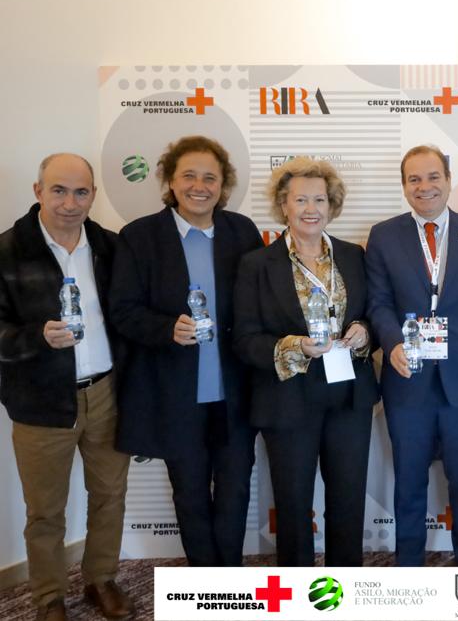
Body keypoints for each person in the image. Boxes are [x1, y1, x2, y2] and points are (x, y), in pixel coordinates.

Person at [108, 136, 262, 567]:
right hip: (175, 395)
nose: (199, 186)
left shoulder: (243, 232)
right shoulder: (139, 236)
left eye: (210, 177)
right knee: (190, 493)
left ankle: (229, 578)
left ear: (223, 185)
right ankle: (204, 580)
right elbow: (122, 310)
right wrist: (165, 328)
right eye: (189, 175)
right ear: (170, 181)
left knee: (235, 490)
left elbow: (260, 306)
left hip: (235, 393)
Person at [0, 154, 133, 621]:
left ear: (93, 195)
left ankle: (102, 579)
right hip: (40, 402)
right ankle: (48, 597)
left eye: (80, 192)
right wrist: (36, 337)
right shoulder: (7, 251)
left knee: (110, 496)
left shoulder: (111, 247)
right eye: (58, 190)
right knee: (45, 512)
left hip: (107, 393)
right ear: (38, 191)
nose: (70, 203)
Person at [365, 144, 458, 566]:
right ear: (404, 185)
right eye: (414, 179)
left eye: (432, 177)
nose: (424, 187)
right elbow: (379, 303)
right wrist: (392, 343)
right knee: (408, 485)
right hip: (407, 382)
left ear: (448, 179)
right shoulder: (384, 235)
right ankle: (410, 572)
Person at [234, 156, 378, 566]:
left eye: (319, 199)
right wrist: (295, 344)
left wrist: (364, 330)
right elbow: (244, 340)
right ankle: (299, 590)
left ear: (332, 205)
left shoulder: (354, 255)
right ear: (284, 205)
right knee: (294, 505)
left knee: (348, 500)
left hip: (349, 397)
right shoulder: (256, 264)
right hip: (287, 400)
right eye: (300, 200)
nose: (311, 209)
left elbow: (372, 313)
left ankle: (345, 588)